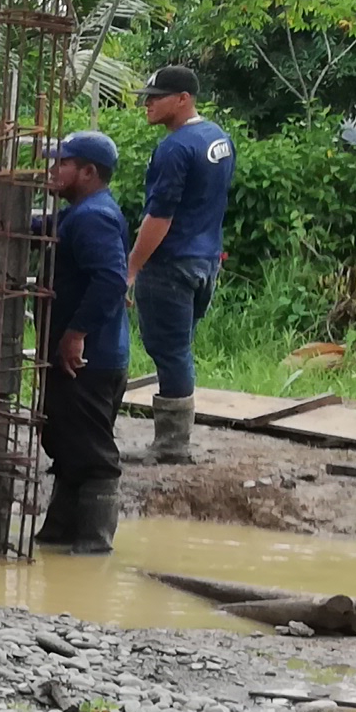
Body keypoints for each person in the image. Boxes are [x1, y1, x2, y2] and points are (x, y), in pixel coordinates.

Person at [129, 63, 234, 463]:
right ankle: (174, 441)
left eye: (157, 98)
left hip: (171, 263)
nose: (148, 105)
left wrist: (131, 268)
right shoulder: (218, 138)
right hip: (206, 260)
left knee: (169, 350)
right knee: (179, 347)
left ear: (183, 99)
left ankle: (172, 445)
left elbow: (160, 217)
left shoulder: (175, 148)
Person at [37, 129, 130, 554]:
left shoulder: (93, 217)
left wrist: (76, 334)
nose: (52, 170)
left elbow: (111, 279)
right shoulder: (79, 213)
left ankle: (93, 549)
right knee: (69, 446)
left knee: (92, 456)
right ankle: (59, 538)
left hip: (89, 360)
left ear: (89, 172)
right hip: (85, 356)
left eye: (62, 164)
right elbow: (41, 227)